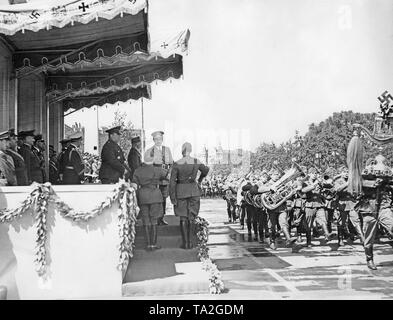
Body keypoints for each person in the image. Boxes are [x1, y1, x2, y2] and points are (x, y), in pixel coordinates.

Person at [169, 142, 209, 249]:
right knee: (192, 217)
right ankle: (191, 242)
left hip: (181, 191)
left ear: (182, 151)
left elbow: (172, 182)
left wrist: (172, 197)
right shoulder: (196, 161)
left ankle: (185, 243)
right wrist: (199, 180)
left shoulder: (177, 164)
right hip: (193, 190)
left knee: (183, 218)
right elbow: (206, 170)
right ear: (190, 150)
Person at [131, 151, 168, 251]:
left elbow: (133, 185)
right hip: (155, 196)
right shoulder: (158, 170)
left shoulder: (138, 171)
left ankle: (148, 244)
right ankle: (153, 244)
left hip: (142, 196)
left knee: (146, 220)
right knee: (154, 220)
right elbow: (168, 175)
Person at [146, 131, 174, 226]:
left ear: (162, 140)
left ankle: (161, 218)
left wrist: (169, 173)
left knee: (163, 199)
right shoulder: (150, 151)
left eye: (160, 139)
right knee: (155, 199)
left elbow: (171, 164)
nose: (158, 141)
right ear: (153, 140)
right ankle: (154, 218)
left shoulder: (167, 150)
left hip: (165, 180)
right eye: (156, 139)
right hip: (155, 179)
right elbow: (148, 165)